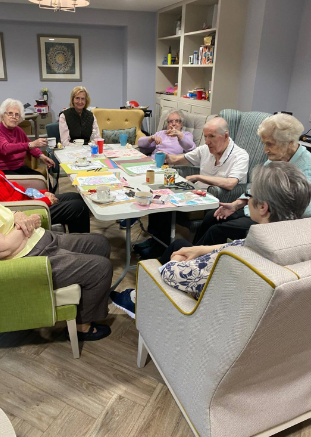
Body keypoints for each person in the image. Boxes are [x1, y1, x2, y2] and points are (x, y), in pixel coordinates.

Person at [0, 140, 112, 341]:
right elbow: (0, 249)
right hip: (28, 257)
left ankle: (88, 300)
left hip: (36, 240)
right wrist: (29, 222)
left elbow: (5, 213)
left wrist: (19, 216)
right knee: (102, 268)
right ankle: (83, 326)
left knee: (99, 243)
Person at [110, 162, 311, 318]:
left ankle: (139, 303)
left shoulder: (237, 261)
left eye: (251, 193)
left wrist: (179, 260)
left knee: (173, 254)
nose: (247, 198)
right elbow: (241, 244)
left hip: (206, 307)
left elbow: (172, 274)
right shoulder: (292, 241)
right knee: (182, 244)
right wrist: (201, 250)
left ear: (263, 207)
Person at [135, 117, 249, 259]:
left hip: (214, 200)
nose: (207, 141)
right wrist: (167, 157)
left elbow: (231, 183)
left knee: (167, 203)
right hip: (195, 194)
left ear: (225, 136)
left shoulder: (240, 155)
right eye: (205, 136)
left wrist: (199, 177)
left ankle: (160, 248)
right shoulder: (206, 149)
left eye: (211, 137)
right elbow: (177, 160)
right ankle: (156, 241)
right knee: (159, 196)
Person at [193, 113, 311, 246]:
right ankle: (190, 252)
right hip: (253, 209)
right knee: (211, 216)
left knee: (218, 231)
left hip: (271, 220)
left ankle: (200, 260)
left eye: (270, 144)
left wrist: (267, 209)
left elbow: (304, 210)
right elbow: (256, 187)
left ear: (290, 143)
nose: (266, 150)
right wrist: (235, 205)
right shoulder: (278, 156)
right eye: (264, 144)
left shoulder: (306, 166)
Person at [0, 126, 90, 234]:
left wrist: (43, 193)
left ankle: (77, 236)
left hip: (30, 200)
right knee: (78, 207)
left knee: (76, 197)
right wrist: (45, 200)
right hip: (27, 209)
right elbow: (9, 204)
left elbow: (14, 189)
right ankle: (83, 244)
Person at [0, 98, 55, 175]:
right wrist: (31, 144)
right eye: (10, 113)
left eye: (17, 115)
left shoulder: (18, 130)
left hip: (19, 167)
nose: (14, 117)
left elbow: (30, 145)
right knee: (35, 182)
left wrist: (42, 156)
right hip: (1, 170)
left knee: (40, 177)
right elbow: (6, 148)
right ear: (2, 116)